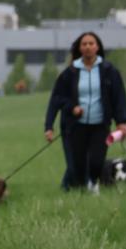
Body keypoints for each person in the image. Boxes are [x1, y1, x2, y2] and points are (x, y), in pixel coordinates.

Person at [45, 32, 126, 194]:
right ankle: (75, 191)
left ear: (97, 47)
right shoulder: (70, 73)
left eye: (91, 43)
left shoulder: (109, 70)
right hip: (75, 126)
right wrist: (50, 125)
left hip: (100, 125)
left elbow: (119, 97)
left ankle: (92, 184)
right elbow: (56, 99)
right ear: (79, 48)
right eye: (84, 44)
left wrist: (121, 122)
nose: (88, 47)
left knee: (97, 161)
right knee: (76, 165)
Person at [44, 55, 75, 191]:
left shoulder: (98, 74)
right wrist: (49, 127)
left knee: (91, 162)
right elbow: (54, 103)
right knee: (73, 164)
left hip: (94, 127)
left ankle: (85, 188)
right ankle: (65, 188)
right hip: (69, 128)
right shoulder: (65, 77)